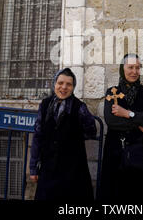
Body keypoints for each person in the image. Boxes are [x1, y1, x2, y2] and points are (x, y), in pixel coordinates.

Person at [99, 53, 143, 202]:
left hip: (141, 152)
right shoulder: (112, 92)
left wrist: (128, 113)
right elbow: (112, 120)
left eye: (137, 68)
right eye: (130, 67)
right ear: (123, 69)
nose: (134, 71)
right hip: (116, 151)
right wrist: (141, 126)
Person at [29, 68, 97, 201]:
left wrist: (71, 139)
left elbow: (91, 131)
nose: (64, 87)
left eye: (68, 84)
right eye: (60, 83)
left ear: (73, 87)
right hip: (49, 168)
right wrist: (33, 168)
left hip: (73, 170)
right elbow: (38, 136)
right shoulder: (45, 105)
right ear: (54, 84)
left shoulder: (80, 107)